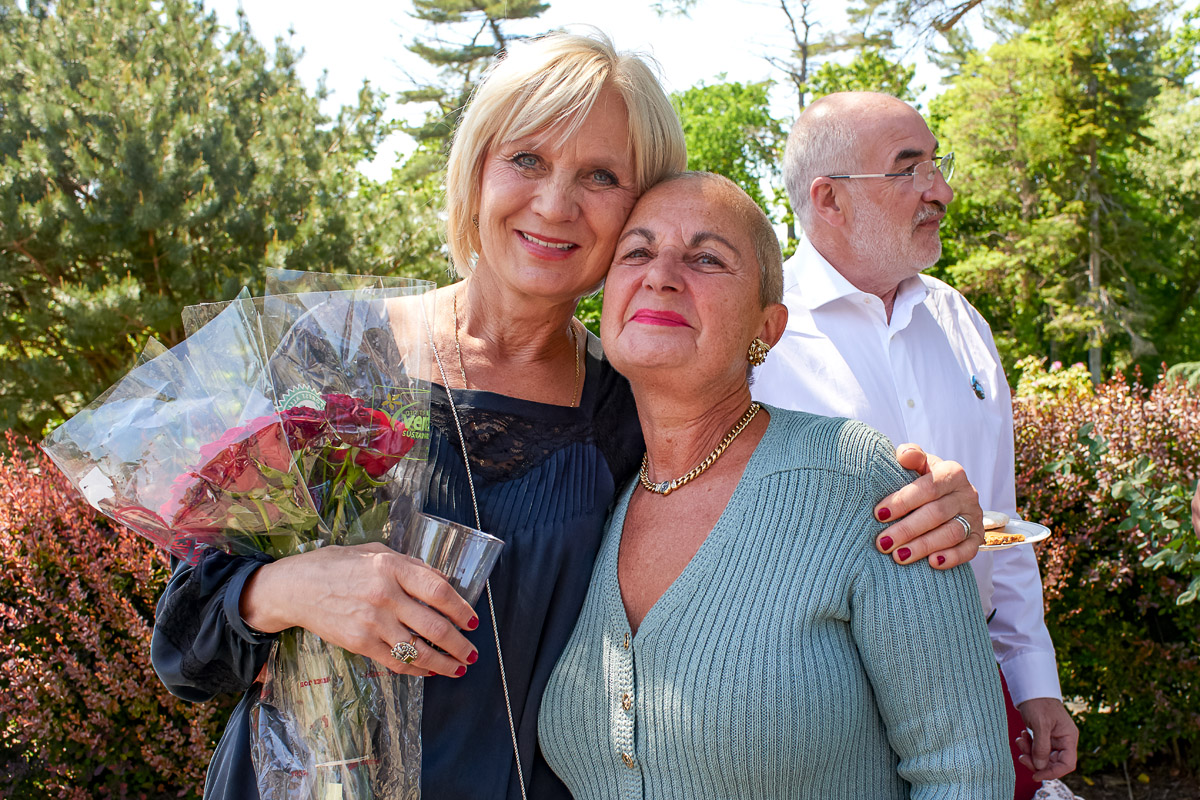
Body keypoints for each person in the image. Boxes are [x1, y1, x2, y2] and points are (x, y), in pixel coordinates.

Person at [152, 35, 984, 800]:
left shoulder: (631, 405)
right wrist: (289, 587)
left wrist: (934, 498)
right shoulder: (330, 358)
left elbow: (775, 462)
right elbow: (184, 648)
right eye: (526, 158)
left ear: (637, 205)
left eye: (599, 176)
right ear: (477, 171)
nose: (555, 203)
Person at [538, 172, 1013, 799]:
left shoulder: (857, 482)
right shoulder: (592, 493)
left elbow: (964, 769)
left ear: (768, 328)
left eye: (707, 258)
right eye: (637, 251)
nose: (661, 274)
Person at [752, 91, 1079, 798]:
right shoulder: (752, 337)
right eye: (912, 169)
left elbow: (1000, 524)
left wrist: (1032, 680)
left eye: (938, 164)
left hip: (978, 696)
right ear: (829, 198)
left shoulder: (962, 322)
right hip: (822, 720)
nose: (943, 190)